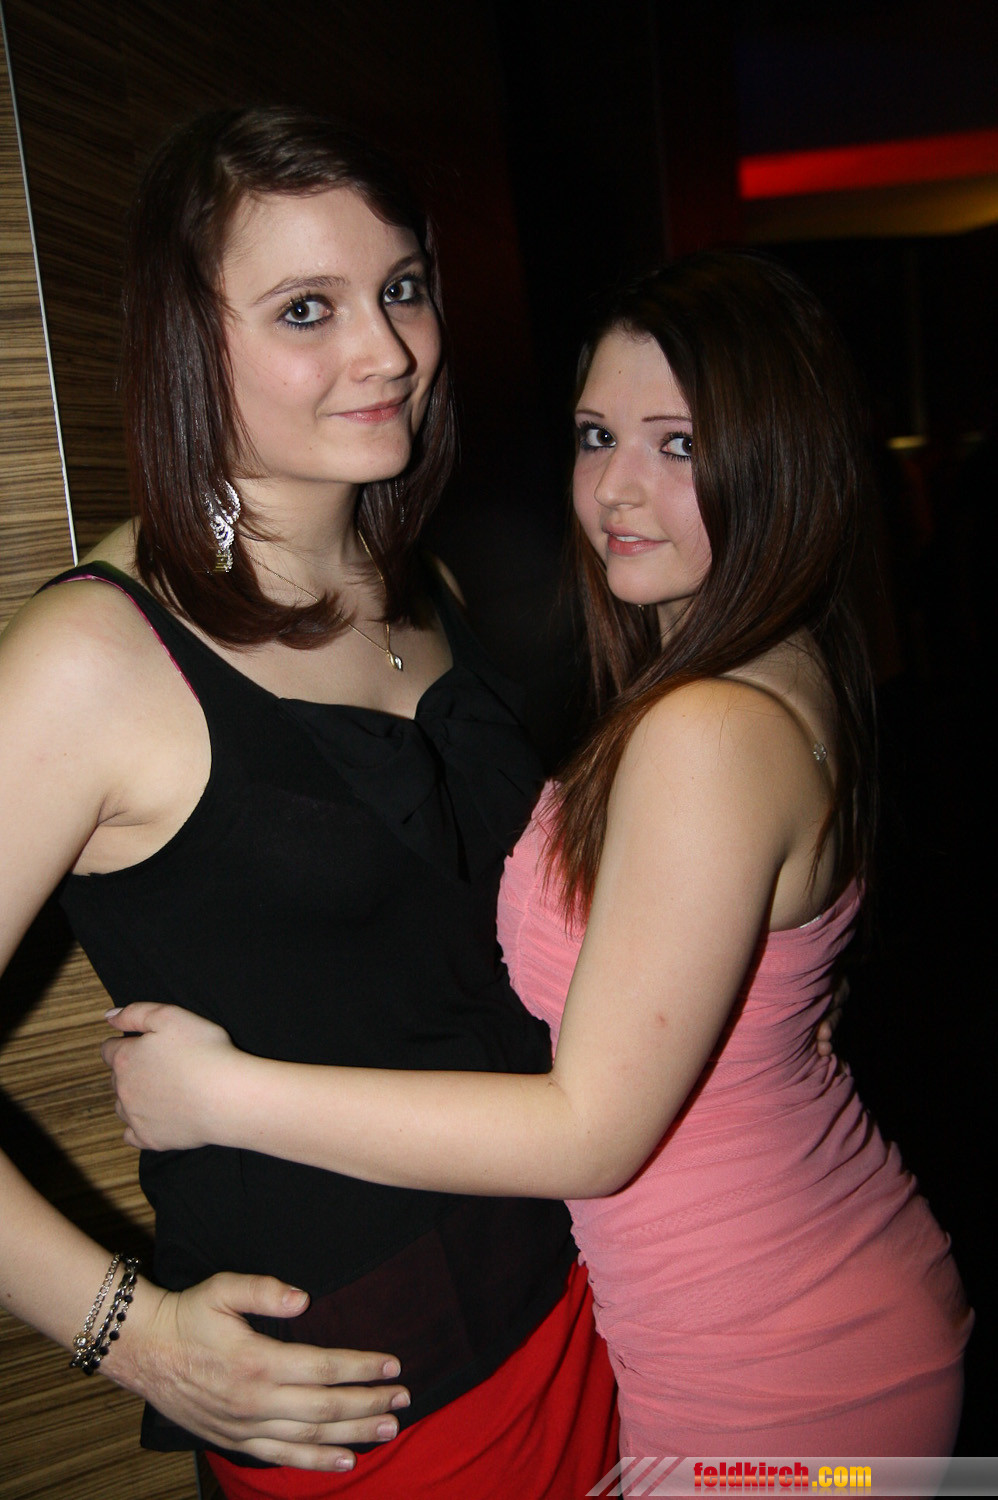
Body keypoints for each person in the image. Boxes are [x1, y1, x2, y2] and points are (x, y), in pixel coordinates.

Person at [106, 252, 972, 1460]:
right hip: (817, 1301)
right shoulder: (781, 666)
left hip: (776, 1374)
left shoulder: (707, 729)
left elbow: (589, 1136)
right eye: (595, 435)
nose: (616, 488)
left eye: (677, 445)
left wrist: (221, 1095)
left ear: (780, 459)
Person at [0, 106, 619, 1497]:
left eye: (401, 288)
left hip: (592, 1300)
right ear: (186, 343)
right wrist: (128, 1336)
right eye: (305, 309)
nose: (387, 350)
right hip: (366, 1413)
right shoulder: (93, 661)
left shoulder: (419, 580)